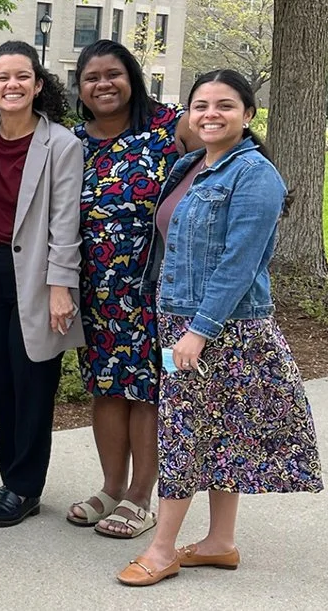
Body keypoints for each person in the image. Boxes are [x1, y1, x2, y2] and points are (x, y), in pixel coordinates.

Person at [117, 70, 323, 587]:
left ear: (249, 114)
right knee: (219, 436)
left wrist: (199, 330)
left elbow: (239, 261)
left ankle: (162, 549)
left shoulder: (255, 175)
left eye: (225, 105)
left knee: (183, 437)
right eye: (201, 105)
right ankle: (220, 542)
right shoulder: (191, 165)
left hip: (220, 329)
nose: (211, 114)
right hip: (182, 320)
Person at [68, 39, 196, 538]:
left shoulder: (168, 127)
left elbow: (228, 146)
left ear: (132, 77)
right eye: (92, 77)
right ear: (79, 88)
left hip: (153, 289)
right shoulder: (74, 142)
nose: (103, 84)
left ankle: (142, 495)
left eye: (113, 74)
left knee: (146, 389)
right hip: (94, 290)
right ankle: (111, 487)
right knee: (105, 386)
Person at [0, 40, 84, 527]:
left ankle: (27, 487)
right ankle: (11, 477)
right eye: (2, 78)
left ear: (38, 85)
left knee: (33, 379)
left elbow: (65, 220)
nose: (11, 85)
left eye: (21, 77)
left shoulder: (61, 144)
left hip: (36, 274)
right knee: (0, 380)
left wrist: (61, 287)